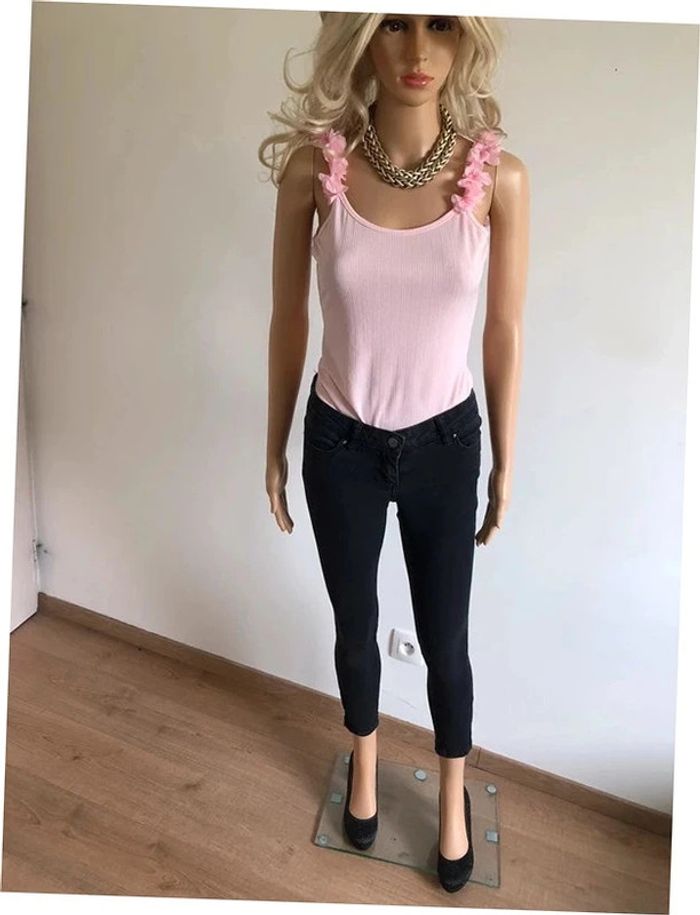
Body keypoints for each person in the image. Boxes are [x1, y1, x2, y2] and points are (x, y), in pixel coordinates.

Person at [259, 11, 529, 892]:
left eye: (441, 24)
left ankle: (452, 796)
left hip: (446, 443)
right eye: (395, 25)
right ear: (363, 38)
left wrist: (505, 460)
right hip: (339, 438)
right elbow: (289, 318)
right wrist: (274, 440)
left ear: (467, 37)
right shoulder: (315, 170)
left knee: (447, 639)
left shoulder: (499, 178)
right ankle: (366, 765)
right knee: (354, 627)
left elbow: (503, 330)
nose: (418, 52)